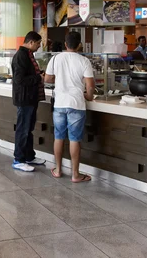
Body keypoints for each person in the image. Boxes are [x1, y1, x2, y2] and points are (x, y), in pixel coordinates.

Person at [45, 31, 95, 183]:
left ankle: (58, 170)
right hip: (76, 104)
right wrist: (88, 96)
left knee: (58, 137)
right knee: (74, 139)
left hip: (60, 103)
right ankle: (75, 174)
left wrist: (58, 79)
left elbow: (47, 78)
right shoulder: (84, 61)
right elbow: (90, 85)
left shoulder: (55, 58)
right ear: (79, 45)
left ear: (65, 44)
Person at [11, 31, 46, 172]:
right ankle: (18, 159)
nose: (39, 46)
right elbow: (19, 80)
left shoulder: (28, 55)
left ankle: (29, 156)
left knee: (29, 129)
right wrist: (39, 78)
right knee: (23, 129)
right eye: (38, 44)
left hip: (31, 98)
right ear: (31, 42)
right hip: (24, 99)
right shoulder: (21, 56)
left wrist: (39, 74)